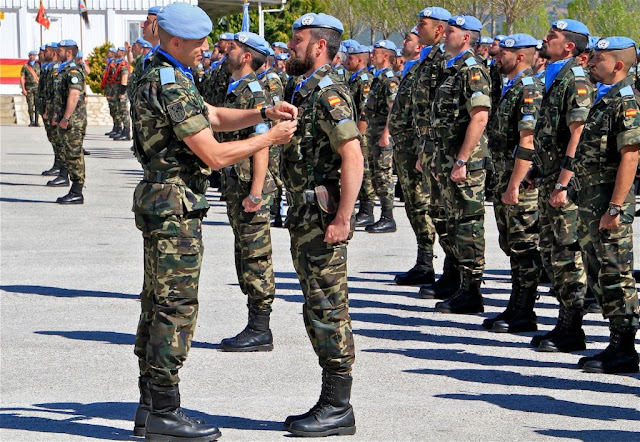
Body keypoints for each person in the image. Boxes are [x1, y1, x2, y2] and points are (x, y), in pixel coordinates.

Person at [130, 3, 297, 440]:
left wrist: (263, 114)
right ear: (176, 41)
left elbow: (215, 116)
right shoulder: (168, 80)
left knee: (157, 301)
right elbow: (215, 154)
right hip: (175, 205)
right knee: (175, 306)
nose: (208, 48)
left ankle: (150, 405)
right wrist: (270, 139)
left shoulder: (165, 70)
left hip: (165, 200)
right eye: (200, 42)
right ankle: (165, 411)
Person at [281, 12, 363, 437]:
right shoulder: (304, 88)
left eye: (297, 40)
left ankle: (338, 405)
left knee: (329, 307)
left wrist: (343, 218)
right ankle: (330, 401)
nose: (290, 46)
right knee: (316, 306)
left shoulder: (329, 91)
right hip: (305, 216)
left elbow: (352, 154)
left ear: (318, 46)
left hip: (323, 218)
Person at [574, 36, 639, 373]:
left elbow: (631, 156)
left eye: (598, 58)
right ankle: (616, 341)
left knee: (615, 273)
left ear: (618, 65)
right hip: (590, 203)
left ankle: (625, 347)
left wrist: (614, 208)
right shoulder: (605, 97)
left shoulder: (626, 100)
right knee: (600, 273)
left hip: (608, 205)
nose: (591, 62)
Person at [530, 19, 594, 353]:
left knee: (567, 253)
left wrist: (564, 182)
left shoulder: (575, 79)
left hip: (563, 184)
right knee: (552, 251)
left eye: (551, 36)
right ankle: (563, 321)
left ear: (568, 46)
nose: (544, 39)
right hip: (548, 178)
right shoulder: (555, 76)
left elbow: (578, 133)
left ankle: (573, 326)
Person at [216, 32, 278, 352]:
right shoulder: (235, 88)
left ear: (247, 57)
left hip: (250, 187)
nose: (228, 50)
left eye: (235, 47)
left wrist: (256, 192)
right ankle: (255, 324)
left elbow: (262, 144)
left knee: (255, 254)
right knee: (244, 251)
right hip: (236, 183)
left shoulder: (254, 92)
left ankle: (260, 328)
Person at [482, 34, 544, 333]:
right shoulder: (508, 86)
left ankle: (524, 309)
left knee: (524, 246)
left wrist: (515, 184)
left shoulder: (529, 88)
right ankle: (516, 304)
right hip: (504, 177)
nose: (497, 55)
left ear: (520, 56)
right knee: (511, 244)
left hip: (519, 183)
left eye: (503, 52)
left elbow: (527, 141)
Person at [430, 15, 491, 314]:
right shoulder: (451, 68)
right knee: (454, 222)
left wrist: (463, 160)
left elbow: (479, 117)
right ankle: (460, 284)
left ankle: (472, 291)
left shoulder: (472, 70)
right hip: (447, 160)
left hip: (465, 162)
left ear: (466, 38)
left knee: (468, 224)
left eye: (451, 31)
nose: (444, 35)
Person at [411, 7, 457, 300]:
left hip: (441, 149)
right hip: (429, 147)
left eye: (423, 24)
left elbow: (443, 111)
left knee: (447, 212)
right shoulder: (429, 57)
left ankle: (456, 275)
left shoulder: (443, 60)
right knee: (438, 211)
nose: (417, 29)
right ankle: (447, 273)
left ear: (439, 29)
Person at [388, 26, 436, 286]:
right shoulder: (407, 71)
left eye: (407, 39)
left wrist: (423, 149)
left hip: (417, 150)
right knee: (412, 205)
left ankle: (427, 262)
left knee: (422, 205)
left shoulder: (422, 71)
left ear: (418, 46)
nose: (403, 42)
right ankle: (423, 260)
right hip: (405, 150)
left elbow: (426, 113)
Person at [363, 39, 400, 233]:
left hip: (381, 135)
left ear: (386, 55)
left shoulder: (389, 80)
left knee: (384, 175)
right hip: (373, 134)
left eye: (376, 52)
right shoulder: (377, 77)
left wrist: (386, 134)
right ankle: (381, 215)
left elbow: (393, 110)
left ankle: (388, 217)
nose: (372, 55)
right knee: (376, 175)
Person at [51, 40, 87, 204]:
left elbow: (74, 95)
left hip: (73, 120)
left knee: (74, 154)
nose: (57, 52)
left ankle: (77, 191)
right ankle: (73, 187)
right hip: (65, 119)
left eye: (61, 50)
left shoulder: (73, 70)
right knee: (68, 153)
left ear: (69, 52)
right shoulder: (63, 69)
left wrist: (66, 117)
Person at [346, 44, 375, 226]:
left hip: (362, 131)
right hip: (355, 129)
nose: (346, 61)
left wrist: (358, 134)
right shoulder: (353, 78)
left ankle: (368, 209)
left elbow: (364, 110)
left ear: (360, 60)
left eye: (350, 58)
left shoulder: (364, 80)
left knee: (364, 170)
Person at [113, 46, 131, 141]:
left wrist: (122, 93)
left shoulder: (123, 65)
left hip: (122, 92)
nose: (117, 51)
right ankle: (124, 131)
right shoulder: (119, 63)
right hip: (118, 91)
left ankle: (126, 132)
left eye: (119, 50)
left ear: (123, 52)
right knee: (120, 111)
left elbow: (124, 78)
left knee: (124, 112)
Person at [21, 50, 41, 127]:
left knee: (37, 105)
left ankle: (36, 121)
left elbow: (42, 77)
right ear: (29, 56)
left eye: (33, 55)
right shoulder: (25, 66)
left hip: (37, 88)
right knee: (30, 104)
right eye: (31, 55)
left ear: (35, 56)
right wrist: (23, 89)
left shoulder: (39, 65)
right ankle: (31, 120)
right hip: (29, 87)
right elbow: (22, 78)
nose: (32, 57)